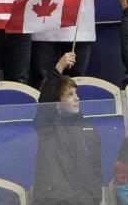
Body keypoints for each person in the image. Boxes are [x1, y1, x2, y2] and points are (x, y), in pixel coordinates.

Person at [30, 51, 103, 205]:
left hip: (85, 200)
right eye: (69, 95)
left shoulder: (89, 129)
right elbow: (45, 106)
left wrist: (95, 195)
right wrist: (59, 68)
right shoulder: (48, 127)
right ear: (57, 103)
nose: (76, 98)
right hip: (53, 199)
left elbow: (96, 167)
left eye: (76, 93)